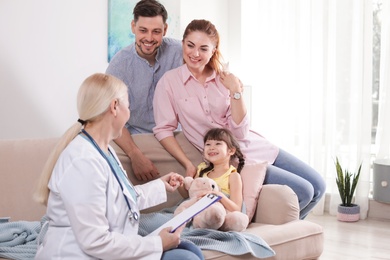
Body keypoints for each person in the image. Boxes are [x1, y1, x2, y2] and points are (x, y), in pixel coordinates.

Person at [152, 19, 326, 220]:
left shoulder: (224, 79)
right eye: (190, 45)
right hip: (234, 160)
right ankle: (273, 230)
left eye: (203, 48)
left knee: (319, 187)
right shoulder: (169, 82)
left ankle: (288, 230)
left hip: (255, 145)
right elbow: (163, 130)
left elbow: (241, 132)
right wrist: (188, 164)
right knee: (305, 191)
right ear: (183, 44)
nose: (195, 54)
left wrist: (236, 91)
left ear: (214, 50)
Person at [34, 73, 204, 260]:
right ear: (115, 106)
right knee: (185, 258)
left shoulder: (104, 150)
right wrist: (157, 243)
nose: (129, 113)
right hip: (79, 254)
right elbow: (95, 241)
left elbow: (120, 199)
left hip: (109, 248)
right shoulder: (83, 161)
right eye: (128, 106)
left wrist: (160, 185)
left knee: (190, 249)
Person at [106, 0, 183, 182]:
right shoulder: (118, 65)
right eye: (143, 30)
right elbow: (110, 116)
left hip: (176, 137)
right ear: (133, 27)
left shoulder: (180, 52)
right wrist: (135, 154)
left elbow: (209, 65)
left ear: (165, 29)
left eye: (156, 31)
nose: (149, 38)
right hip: (136, 139)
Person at [195, 128, 249, 231]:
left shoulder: (233, 176)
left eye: (218, 144)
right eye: (208, 144)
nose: (211, 148)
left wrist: (219, 196)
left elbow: (236, 208)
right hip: (198, 210)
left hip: (218, 214)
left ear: (231, 151)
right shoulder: (201, 169)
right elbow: (189, 194)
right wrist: (180, 184)